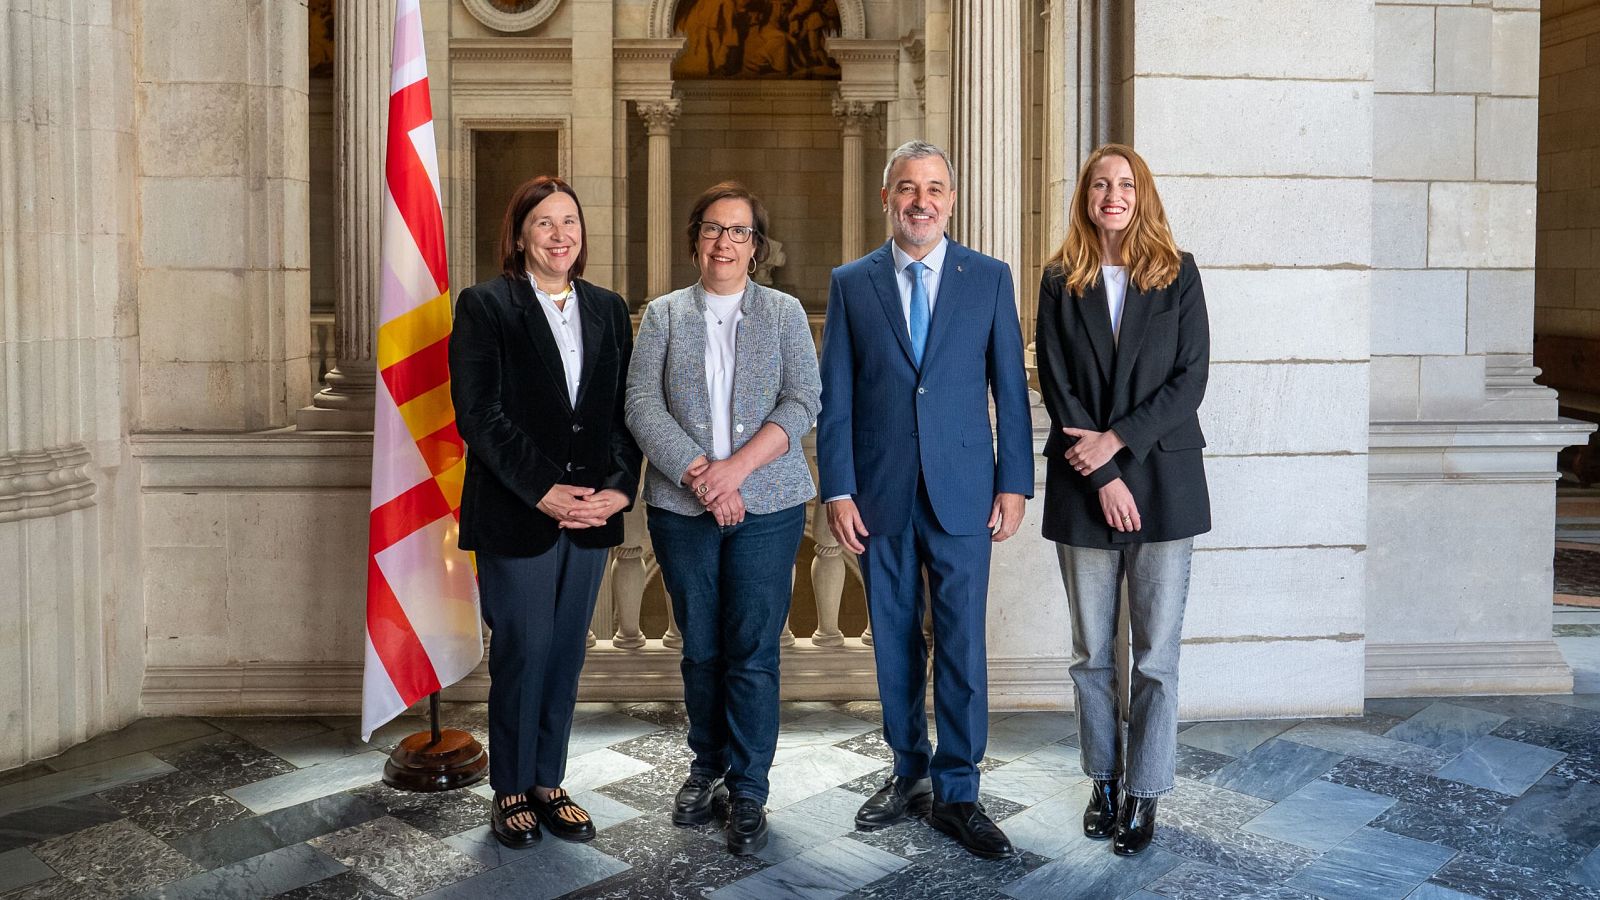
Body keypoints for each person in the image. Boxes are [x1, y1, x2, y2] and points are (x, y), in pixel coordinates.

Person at [817, 140, 1033, 859]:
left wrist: (1014, 481)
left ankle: (960, 790)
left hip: (967, 491)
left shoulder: (990, 279)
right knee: (894, 639)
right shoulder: (853, 282)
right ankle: (909, 770)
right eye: (907, 187)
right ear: (888, 198)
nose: (921, 200)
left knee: (963, 643)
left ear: (951, 200)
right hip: (879, 494)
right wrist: (838, 487)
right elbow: (836, 396)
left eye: (935, 188)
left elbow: (1009, 387)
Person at [625, 181, 822, 856]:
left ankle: (748, 788)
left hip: (767, 506)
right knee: (701, 646)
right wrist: (701, 477)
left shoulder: (785, 313)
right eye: (713, 229)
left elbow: (803, 402)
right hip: (682, 507)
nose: (725, 242)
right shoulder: (663, 315)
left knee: (753, 652)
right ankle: (705, 765)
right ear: (695, 239)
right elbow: (641, 407)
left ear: (757, 246)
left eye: (739, 232)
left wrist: (734, 473)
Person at [448, 176, 642, 849]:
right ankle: (510, 787)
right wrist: (541, 489)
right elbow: (479, 414)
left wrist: (619, 487)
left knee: (565, 652)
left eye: (571, 223)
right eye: (545, 224)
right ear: (520, 235)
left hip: (591, 514)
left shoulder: (609, 309)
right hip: (518, 512)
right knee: (524, 651)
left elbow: (622, 413)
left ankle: (549, 781)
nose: (561, 235)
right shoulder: (486, 305)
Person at [1033, 143, 1211, 856]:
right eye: (1101, 184)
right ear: (1085, 197)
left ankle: (1146, 792)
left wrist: (1118, 446)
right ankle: (1102, 779)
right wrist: (1101, 473)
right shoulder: (1058, 280)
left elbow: (1189, 380)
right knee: (1089, 652)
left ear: (1144, 195)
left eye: (1126, 184)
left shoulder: (1178, 274)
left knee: (1155, 657)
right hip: (1083, 485)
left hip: (1164, 481)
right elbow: (1055, 378)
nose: (1113, 194)